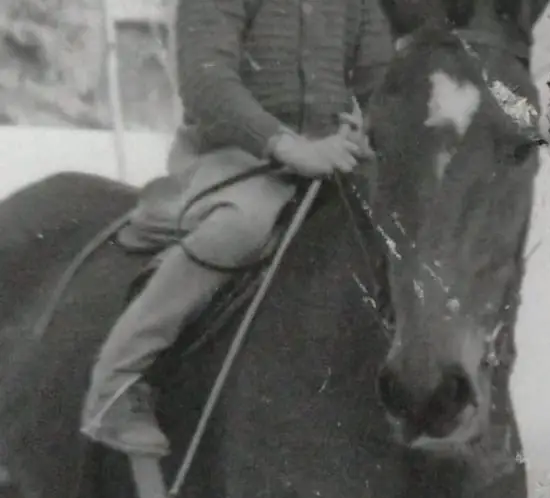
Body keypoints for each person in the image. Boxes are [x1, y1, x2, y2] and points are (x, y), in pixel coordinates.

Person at [79, 0, 392, 457]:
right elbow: (207, 82)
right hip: (233, 156)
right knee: (242, 224)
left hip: (330, 155)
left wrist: (367, 123)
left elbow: (377, 76)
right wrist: (286, 145)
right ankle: (116, 381)